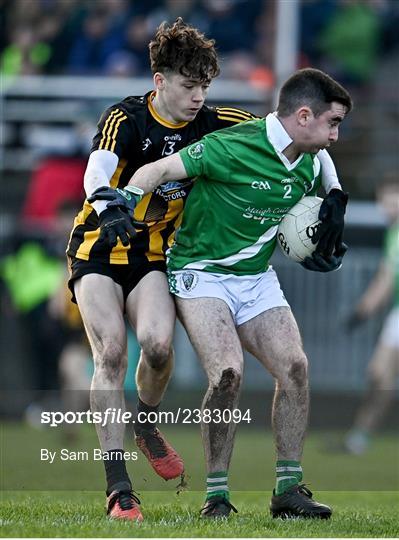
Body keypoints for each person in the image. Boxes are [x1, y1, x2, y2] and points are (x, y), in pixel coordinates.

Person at [71, 17, 347, 521]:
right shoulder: (127, 117)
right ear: (160, 82)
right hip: (101, 244)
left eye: (204, 85)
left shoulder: (220, 122)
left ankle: (147, 423)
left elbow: (293, 135)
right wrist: (107, 204)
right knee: (110, 351)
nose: (198, 96)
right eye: (188, 85)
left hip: (154, 253)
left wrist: (335, 195)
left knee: (156, 348)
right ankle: (119, 489)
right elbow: (99, 165)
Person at [344, 174, 399, 455]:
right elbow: (386, 277)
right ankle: (359, 438)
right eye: (383, 200)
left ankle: (359, 437)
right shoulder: (393, 234)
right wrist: (362, 311)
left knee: (382, 377)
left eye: (392, 199)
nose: (386, 206)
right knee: (378, 375)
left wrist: (364, 309)